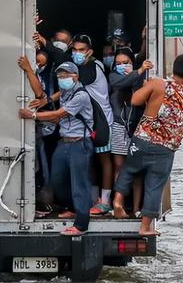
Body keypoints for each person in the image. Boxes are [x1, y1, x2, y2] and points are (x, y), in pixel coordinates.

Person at [113, 54, 183, 236]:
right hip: (166, 149)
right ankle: (145, 227)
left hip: (143, 140)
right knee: (154, 185)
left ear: (173, 70)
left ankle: (117, 202)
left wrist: (146, 89)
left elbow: (135, 101)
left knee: (128, 169)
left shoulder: (158, 84)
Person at [19, 62, 94, 236]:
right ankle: (72, 208)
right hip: (64, 142)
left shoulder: (81, 95)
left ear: (75, 76)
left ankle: (81, 224)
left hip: (79, 143)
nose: (62, 79)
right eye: (60, 76)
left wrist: (33, 116)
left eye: (66, 75)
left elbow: (57, 114)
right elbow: (52, 100)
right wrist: (44, 100)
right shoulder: (66, 92)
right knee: (57, 180)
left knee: (79, 184)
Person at [69, 34, 114, 216]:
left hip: (102, 121)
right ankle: (94, 199)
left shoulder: (90, 69)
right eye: (74, 50)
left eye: (81, 50)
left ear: (89, 52)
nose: (77, 54)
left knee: (104, 160)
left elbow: (70, 84)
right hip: (90, 122)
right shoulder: (85, 66)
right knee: (92, 162)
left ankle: (105, 202)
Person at [109, 49, 154, 217]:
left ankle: (136, 208)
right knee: (119, 167)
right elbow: (120, 84)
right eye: (118, 63)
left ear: (132, 62)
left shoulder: (140, 79)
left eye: (125, 62)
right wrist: (137, 72)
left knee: (137, 169)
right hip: (119, 127)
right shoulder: (114, 78)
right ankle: (117, 205)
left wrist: (139, 78)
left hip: (137, 128)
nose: (122, 66)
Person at [18, 53, 57, 191]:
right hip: (25, 122)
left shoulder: (46, 76)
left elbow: (39, 94)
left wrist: (29, 69)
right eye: (37, 62)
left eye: (42, 64)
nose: (39, 65)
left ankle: (41, 196)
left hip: (39, 126)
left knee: (38, 164)